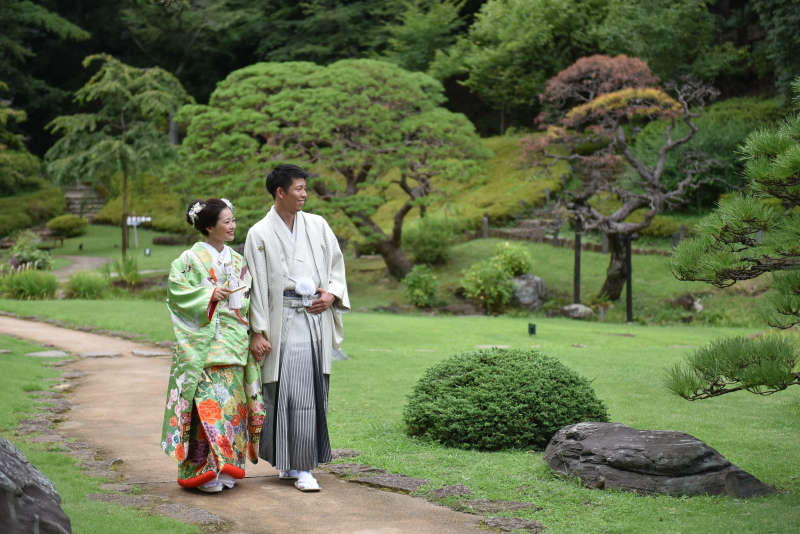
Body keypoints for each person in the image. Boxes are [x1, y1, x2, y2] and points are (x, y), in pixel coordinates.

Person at [245, 163, 350, 492]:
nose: (305, 194)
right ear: (281, 192)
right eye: (299, 189)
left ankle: (304, 466)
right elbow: (254, 287)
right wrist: (258, 331)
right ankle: (289, 464)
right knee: (281, 392)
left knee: (307, 390)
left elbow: (336, 264)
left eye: (305, 188)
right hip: (280, 320)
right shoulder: (259, 233)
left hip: (313, 318)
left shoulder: (317, 225)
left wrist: (331, 293)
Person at [161, 198, 265, 493]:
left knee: (233, 407)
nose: (233, 226)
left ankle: (228, 467)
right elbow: (176, 292)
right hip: (204, 347)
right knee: (208, 409)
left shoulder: (238, 259)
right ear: (209, 227)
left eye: (233, 220)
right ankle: (205, 470)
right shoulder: (188, 260)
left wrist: (253, 330)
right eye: (227, 221)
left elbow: (247, 299)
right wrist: (209, 294)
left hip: (233, 343)